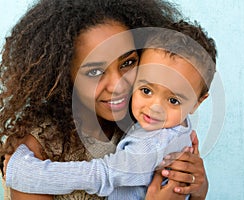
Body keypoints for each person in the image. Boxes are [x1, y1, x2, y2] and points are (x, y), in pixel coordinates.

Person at [0, 0, 208, 200]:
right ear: (62, 75)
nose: (118, 85)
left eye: (128, 62)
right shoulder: (39, 150)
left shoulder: (150, 123)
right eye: (95, 71)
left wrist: (196, 189)